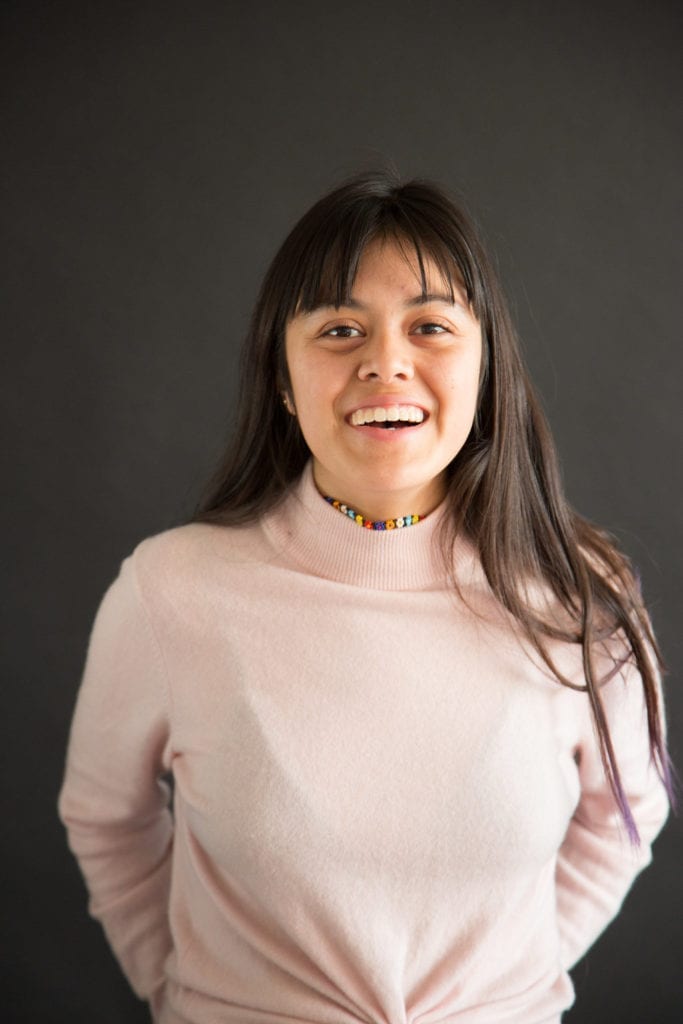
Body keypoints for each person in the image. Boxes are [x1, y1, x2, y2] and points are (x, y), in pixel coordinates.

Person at [58, 171, 672, 1024]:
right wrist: (182, 994)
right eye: (340, 328)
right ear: (282, 378)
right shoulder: (170, 591)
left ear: (485, 365)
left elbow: (625, 819)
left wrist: (507, 991)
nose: (385, 362)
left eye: (430, 326)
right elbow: (105, 818)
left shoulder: (582, 596)